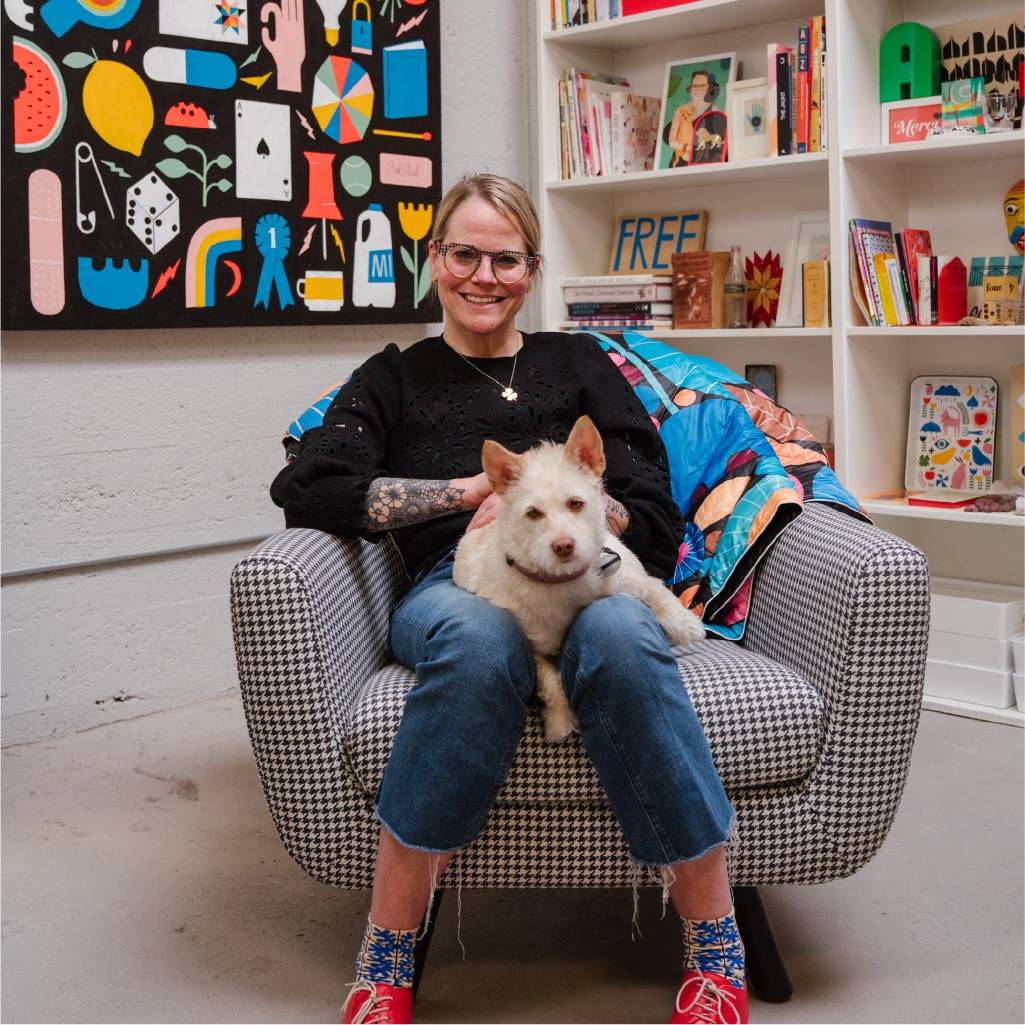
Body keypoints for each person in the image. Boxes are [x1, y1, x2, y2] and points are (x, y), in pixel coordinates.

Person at [270, 173, 747, 1025]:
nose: (482, 277)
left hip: (589, 577)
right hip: (450, 584)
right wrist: (464, 494)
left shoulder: (580, 363)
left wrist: (578, 515)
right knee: (479, 638)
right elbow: (308, 484)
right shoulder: (394, 376)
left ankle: (715, 944)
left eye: (505, 259)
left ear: (530, 269)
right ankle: (386, 952)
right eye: (463, 255)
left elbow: (647, 491)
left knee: (624, 639)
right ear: (433, 261)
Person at [667, 70, 727, 167]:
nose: (698, 90)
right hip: (680, 162)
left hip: (702, 162)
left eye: (702, 86)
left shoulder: (714, 111)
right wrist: (687, 148)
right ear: (690, 88)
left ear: (708, 88)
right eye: (695, 86)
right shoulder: (680, 111)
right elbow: (671, 142)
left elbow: (717, 142)